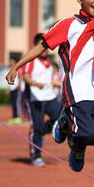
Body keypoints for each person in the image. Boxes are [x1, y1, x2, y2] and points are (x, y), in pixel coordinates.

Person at [6, 0, 94, 172]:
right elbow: (42, 47)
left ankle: (66, 124)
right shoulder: (68, 25)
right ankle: (72, 136)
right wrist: (17, 66)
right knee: (87, 134)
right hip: (78, 90)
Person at [20, 34, 62, 167]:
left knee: (59, 117)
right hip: (34, 99)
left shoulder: (49, 62)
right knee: (35, 128)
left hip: (49, 97)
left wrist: (59, 83)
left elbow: (49, 80)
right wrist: (35, 84)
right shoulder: (31, 60)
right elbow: (26, 77)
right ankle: (36, 155)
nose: (45, 49)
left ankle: (42, 130)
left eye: (47, 46)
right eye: (42, 46)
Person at [6, 57, 23, 125]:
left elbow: (20, 77)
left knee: (17, 103)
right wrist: (8, 88)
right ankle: (14, 117)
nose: (10, 62)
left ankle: (18, 117)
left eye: (11, 61)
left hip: (17, 89)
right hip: (12, 89)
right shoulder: (10, 69)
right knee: (13, 104)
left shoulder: (18, 68)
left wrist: (19, 85)